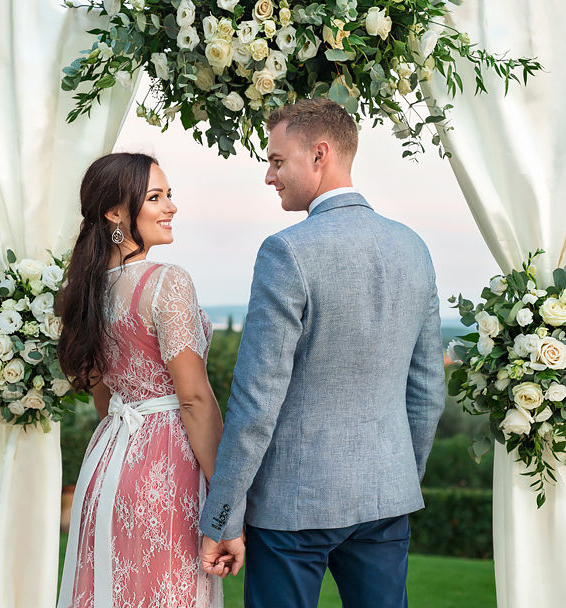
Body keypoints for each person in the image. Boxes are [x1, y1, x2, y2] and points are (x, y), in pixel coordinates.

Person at [199, 98, 446, 608]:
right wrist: (398, 473)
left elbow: (255, 401)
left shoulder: (286, 251)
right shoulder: (413, 247)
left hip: (293, 505)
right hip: (385, 496)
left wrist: (223, 513)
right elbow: (427, 390)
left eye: (276, 160)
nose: (269, 176)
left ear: (320, 155)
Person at [56, 152, 225, 608]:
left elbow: (102, 393)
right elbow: (193, 399)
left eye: (169, 195)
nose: (170, 207)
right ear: (115, 212)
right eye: (155, 197)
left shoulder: (86, 291)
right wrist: (227, 494)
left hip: (107, 458)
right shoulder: (167, 282)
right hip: (166, 467)